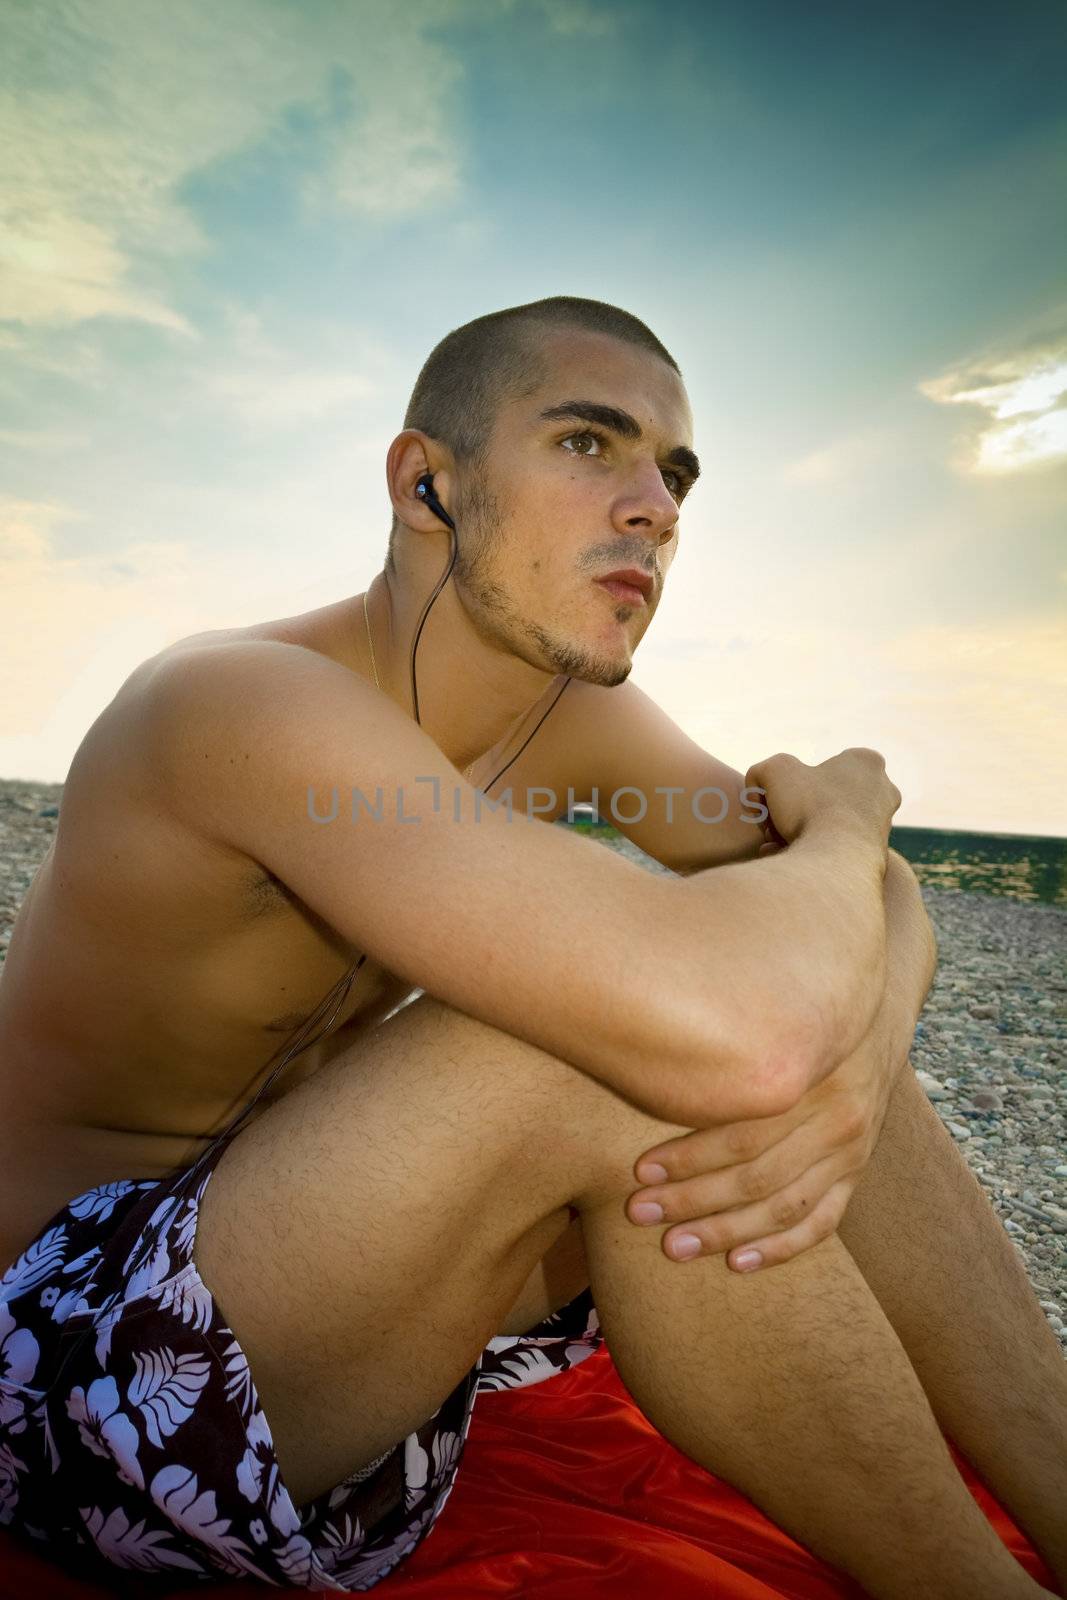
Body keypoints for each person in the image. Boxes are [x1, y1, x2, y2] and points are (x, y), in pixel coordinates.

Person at [0, 296, 1062, 1598]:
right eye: (588, 444)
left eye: (674, 474)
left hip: (315, 1328)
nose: (656, 508)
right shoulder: (238, 705)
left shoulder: (572, 722)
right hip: (63, 1368)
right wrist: (846, 829)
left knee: (807, 1010)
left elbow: (852, 923)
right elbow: (785, 962)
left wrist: (856, 1043)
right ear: (426, 483)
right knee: (593, 1052)